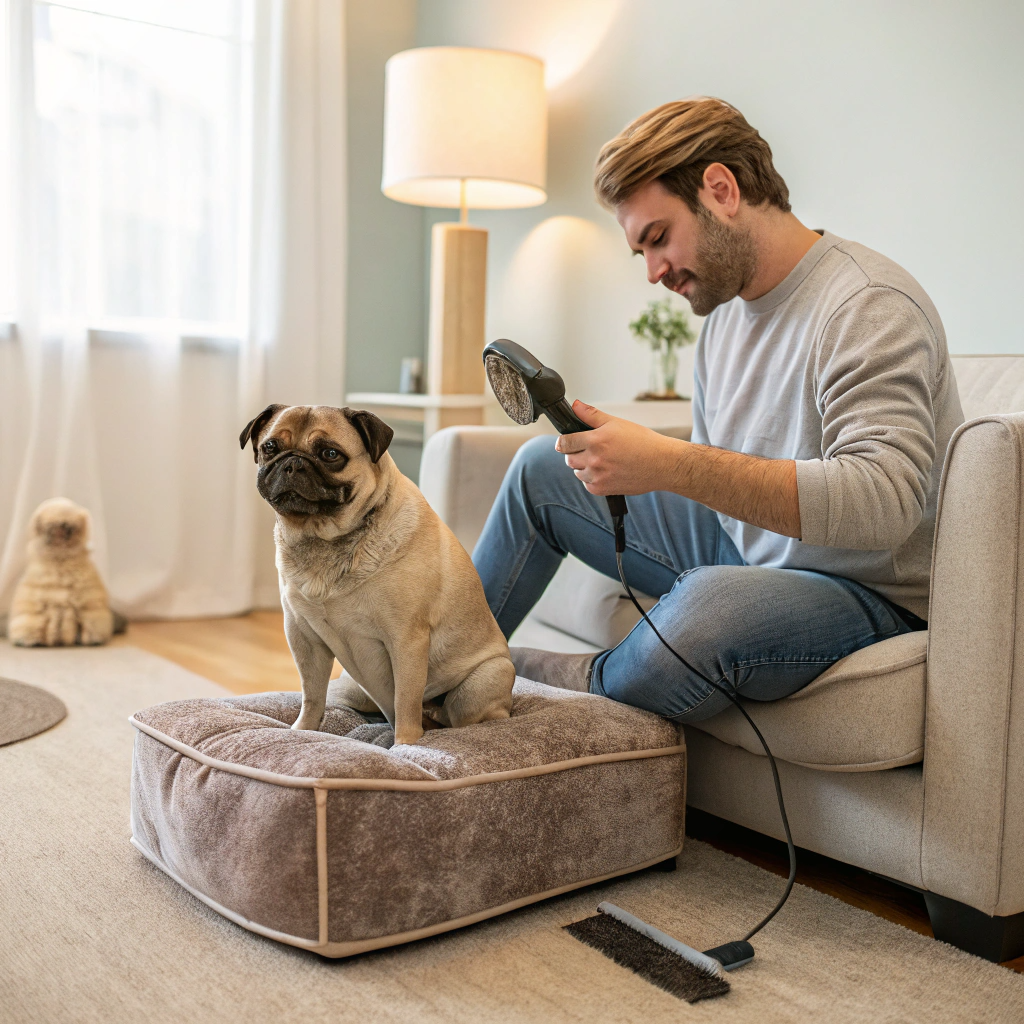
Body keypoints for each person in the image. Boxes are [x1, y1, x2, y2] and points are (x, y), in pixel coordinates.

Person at [471, 97, 964, 722]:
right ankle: (443, 665)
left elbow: (884, 503)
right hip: (751, 549)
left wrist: (669, 463)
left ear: (722, 189)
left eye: (658, 239)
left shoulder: (866, 305)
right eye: (640, 252)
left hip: (867, 592)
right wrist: (637, 462)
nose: (652, 272)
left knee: (712, 606)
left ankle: (545, 678)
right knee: (542, 467)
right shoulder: (723, 316)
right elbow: (721, 480)